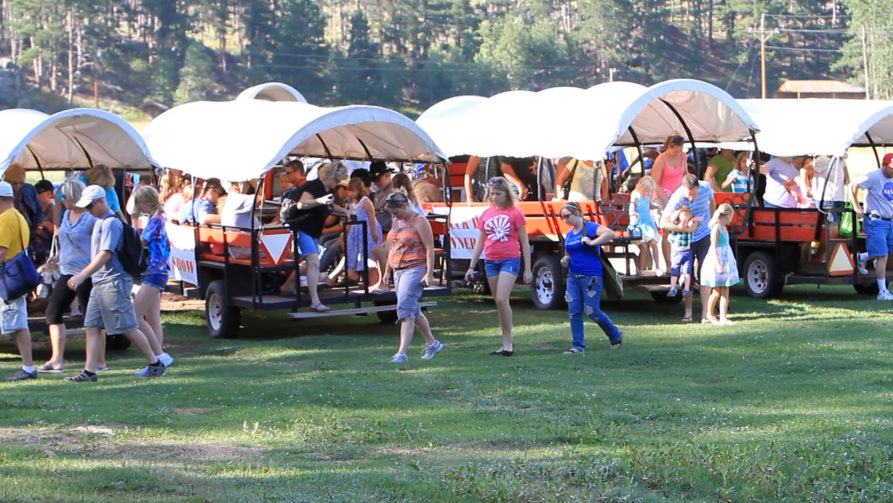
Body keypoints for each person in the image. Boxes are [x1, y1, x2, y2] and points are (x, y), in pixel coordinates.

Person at [64, 185, 166, 382]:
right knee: (92, 326)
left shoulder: (111, 223)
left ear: (102, 201)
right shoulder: (100, 221)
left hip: (114, 281)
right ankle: (89, 371)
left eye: (90, 206)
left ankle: (155, 362)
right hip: (100, 282)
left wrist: (82, 275)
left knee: (127, 326)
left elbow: (106, 253)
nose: (88, 210)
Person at [464, 176, 533, 356]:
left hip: (510, 259)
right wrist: (471, 266)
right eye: (492, 194)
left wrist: (527, 268)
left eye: (498, 194)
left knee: (502, 298)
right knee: (499, 302)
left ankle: (509, 342)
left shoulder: (515, 213)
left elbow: (525, 242)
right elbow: (479, 242)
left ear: (506, 194)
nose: (494, 197)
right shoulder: (486, 214)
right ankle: (504, 342)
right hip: (491, 261)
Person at [37, 180, 98, 373]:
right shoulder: (66, 215)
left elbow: (98, 244)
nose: (62, 200)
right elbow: (66, 240)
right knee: (53, 312)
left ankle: (95, 361)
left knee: (90, 317)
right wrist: (55, 257)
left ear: (74, 197)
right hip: (67, 270)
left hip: (86, 272)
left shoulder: (90, 218)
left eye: (65, 196)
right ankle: (56, 359)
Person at [383, 190, 444, 363]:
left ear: (404, 205)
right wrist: (387, 271)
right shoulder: (396, 221)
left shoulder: (420, 221)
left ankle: (401, 353)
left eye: (396, 212)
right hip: (398, 269)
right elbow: (392, 247)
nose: (394, 216)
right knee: (413, 309)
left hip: (414, 268)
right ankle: (432, 343)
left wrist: (429, 273)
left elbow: (429, 248)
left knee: (405, 311)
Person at [280, 161, 348, 312]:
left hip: (309, 229)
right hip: (302, 228)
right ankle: (315, 301)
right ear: (330, 176)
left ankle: (288, 286)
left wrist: (345, 212)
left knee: (311, 262)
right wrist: (319, 201)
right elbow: (301, 204)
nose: (338, 183)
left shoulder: (324, 189)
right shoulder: (315, 187)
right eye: (337, 179)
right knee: (314, 262)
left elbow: (329, 206)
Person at [558, 202, 623, 353]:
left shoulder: (590, 228)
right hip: (573, 276)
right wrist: (565, 260)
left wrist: (592, 242)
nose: (565, 220)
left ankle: (615, 335)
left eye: (567, 216)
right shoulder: (570, 234)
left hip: (591, 276)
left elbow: (610, 233)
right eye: (563, 218)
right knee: (574, 310)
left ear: (577, 213)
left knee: (592, 311)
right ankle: (578, 345)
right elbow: (569, 253)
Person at [660, 174, 716, 324]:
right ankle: (688, 312)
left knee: (705, 273)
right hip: (686, 241)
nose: (691, 198)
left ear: (698, 187)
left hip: (704, 235)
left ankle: (706, 314)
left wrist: (711, 221)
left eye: (694, 194)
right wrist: (682, 228)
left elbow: (712, 202)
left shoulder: (706, 187)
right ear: (683, 189)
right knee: (687, 275)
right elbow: (663, 223)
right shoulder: (677, 196)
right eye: (688, 195)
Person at [131, 186, 174, 375]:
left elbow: (140, 242)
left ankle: (159, 357)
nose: (138, 208)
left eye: (139, 205)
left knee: (134, 316)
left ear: (146, 203)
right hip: (158, 271)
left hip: (153, 272)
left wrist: (132, 220)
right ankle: (156, 363)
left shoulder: (155, 221)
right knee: (152, 318)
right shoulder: (158, 219)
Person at [0, 181, 38, 381]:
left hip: (8, 278)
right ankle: (28, 367)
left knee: (17, 325)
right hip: (17, 276)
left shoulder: (5, 219)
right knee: (17, 323)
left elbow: (2, 251)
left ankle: (28, 367)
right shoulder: (19, 216)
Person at [849, 152, 893, 301]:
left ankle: (861, 257)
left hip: (889, 221)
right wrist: (857, 208)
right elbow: (852, 186)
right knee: (883, 255)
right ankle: (882, 292)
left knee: (886, 250)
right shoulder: (874, 176)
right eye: (891, 168)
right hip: (875, 221)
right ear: (884, 165)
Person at [652, 135, 689, 270]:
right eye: (675, 151)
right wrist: (667, 201)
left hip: (679, 195)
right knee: (667, 229)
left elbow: (685, 174)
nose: (678, 153)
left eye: (680, 150)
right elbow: (654, 182)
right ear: (669, 146)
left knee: (683, 227)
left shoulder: (682, 157)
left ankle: (681, 261)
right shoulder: (661, 160)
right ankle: (669, 265)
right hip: (663, 196)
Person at [701, 203, 740, 324]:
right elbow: (713, 247)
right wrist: (718, 263)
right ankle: (709, 314)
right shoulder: (716, 228)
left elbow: (726, 245)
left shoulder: (724, 228)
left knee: (725, 289)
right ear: (727, 215)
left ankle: (723, 317)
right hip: (717, 260)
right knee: (716, 291)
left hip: (726, 259)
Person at [345, 178, 381, 285]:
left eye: (353, 191)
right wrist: (347, 231)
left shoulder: (365, 201)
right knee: (358, 253)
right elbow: (351, 217)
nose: (351, 193)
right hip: (356, 230)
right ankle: (363, 277)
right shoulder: (351, 203)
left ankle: (373, 279)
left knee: (369, 253)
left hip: (367, 229)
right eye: (349, 191)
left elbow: (371, 216)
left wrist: (374, 232)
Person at [666, 207, 700, 302]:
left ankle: (686, 289)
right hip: (677, 253)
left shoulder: (690, 231)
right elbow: (672, 221)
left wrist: (692, 220)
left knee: (687, 272)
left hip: (687, 253)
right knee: (675, 272)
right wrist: (680, 211)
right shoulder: (675, 231)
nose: (684, 223)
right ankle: (672, 288)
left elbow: (694, 224)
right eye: (682, 221)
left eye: (686, 221)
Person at [2, 163, 44, 237]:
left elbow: (39, 209)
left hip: (29, 230)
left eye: (21, 183)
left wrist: (39, 227)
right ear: (7, 181)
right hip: (9, 230)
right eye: (14, 183)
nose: (18, 186)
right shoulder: (3, 190)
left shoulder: (30, 189)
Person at [629, 176, 660, 274]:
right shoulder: (635, 194)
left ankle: (658, 266)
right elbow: (632, 206)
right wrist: (633, 213)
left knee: (654, 243)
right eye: (647, 190)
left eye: (650, 191)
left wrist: (656, 207)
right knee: (644, 247)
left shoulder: (648, 196)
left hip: (648, 222)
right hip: (639, 222)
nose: (648, 193)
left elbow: (648, 205)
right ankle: (640, 269)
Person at [811, 155, 849, 224]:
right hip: (827, 199)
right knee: (831, 226)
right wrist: (806, 189)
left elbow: (847, 179)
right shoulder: (822, 160)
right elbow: (804, 171)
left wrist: (847, 179)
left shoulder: (840, 160)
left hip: (839, 199)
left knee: (838, 225)